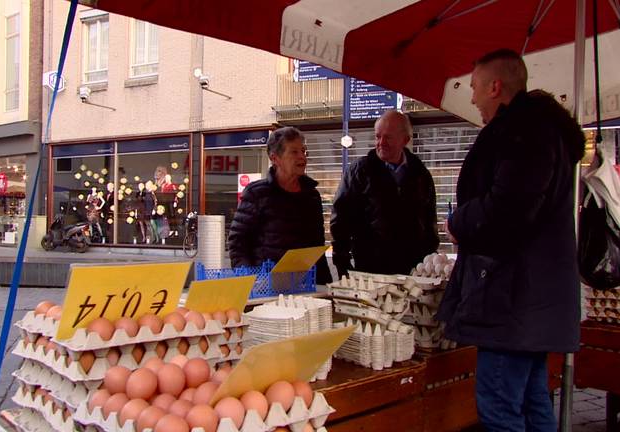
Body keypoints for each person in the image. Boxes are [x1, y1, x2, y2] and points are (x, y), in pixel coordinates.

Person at [436, 49, 585, 432]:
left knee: (500, 408)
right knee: (533, 402)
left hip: (511, 297)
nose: (471, 98)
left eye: (474, 88)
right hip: (531, 299)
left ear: (495, 87)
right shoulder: (541, 132)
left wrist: (459, 221)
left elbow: (509, 209)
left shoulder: (523, 133)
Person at [330, 110, 439, 277]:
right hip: (370, 270)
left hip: (412, 271)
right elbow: (341, 220)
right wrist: (342, 263)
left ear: (405, 140)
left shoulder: (420, 174)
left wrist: (430, 261)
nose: (381, 142)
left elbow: (429, 220)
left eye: (388, 137)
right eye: (377, 136)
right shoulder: (360, 171)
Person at [228, 127, 332, 284]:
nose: (302, 157)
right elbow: (238, 243)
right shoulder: (256, 193)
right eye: (294, 152)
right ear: (275, 158)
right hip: (266, 287)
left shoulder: (312, 195)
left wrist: (325, 285)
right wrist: (250, 281)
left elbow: (317, 246)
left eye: (303, 151)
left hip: (306, 286)